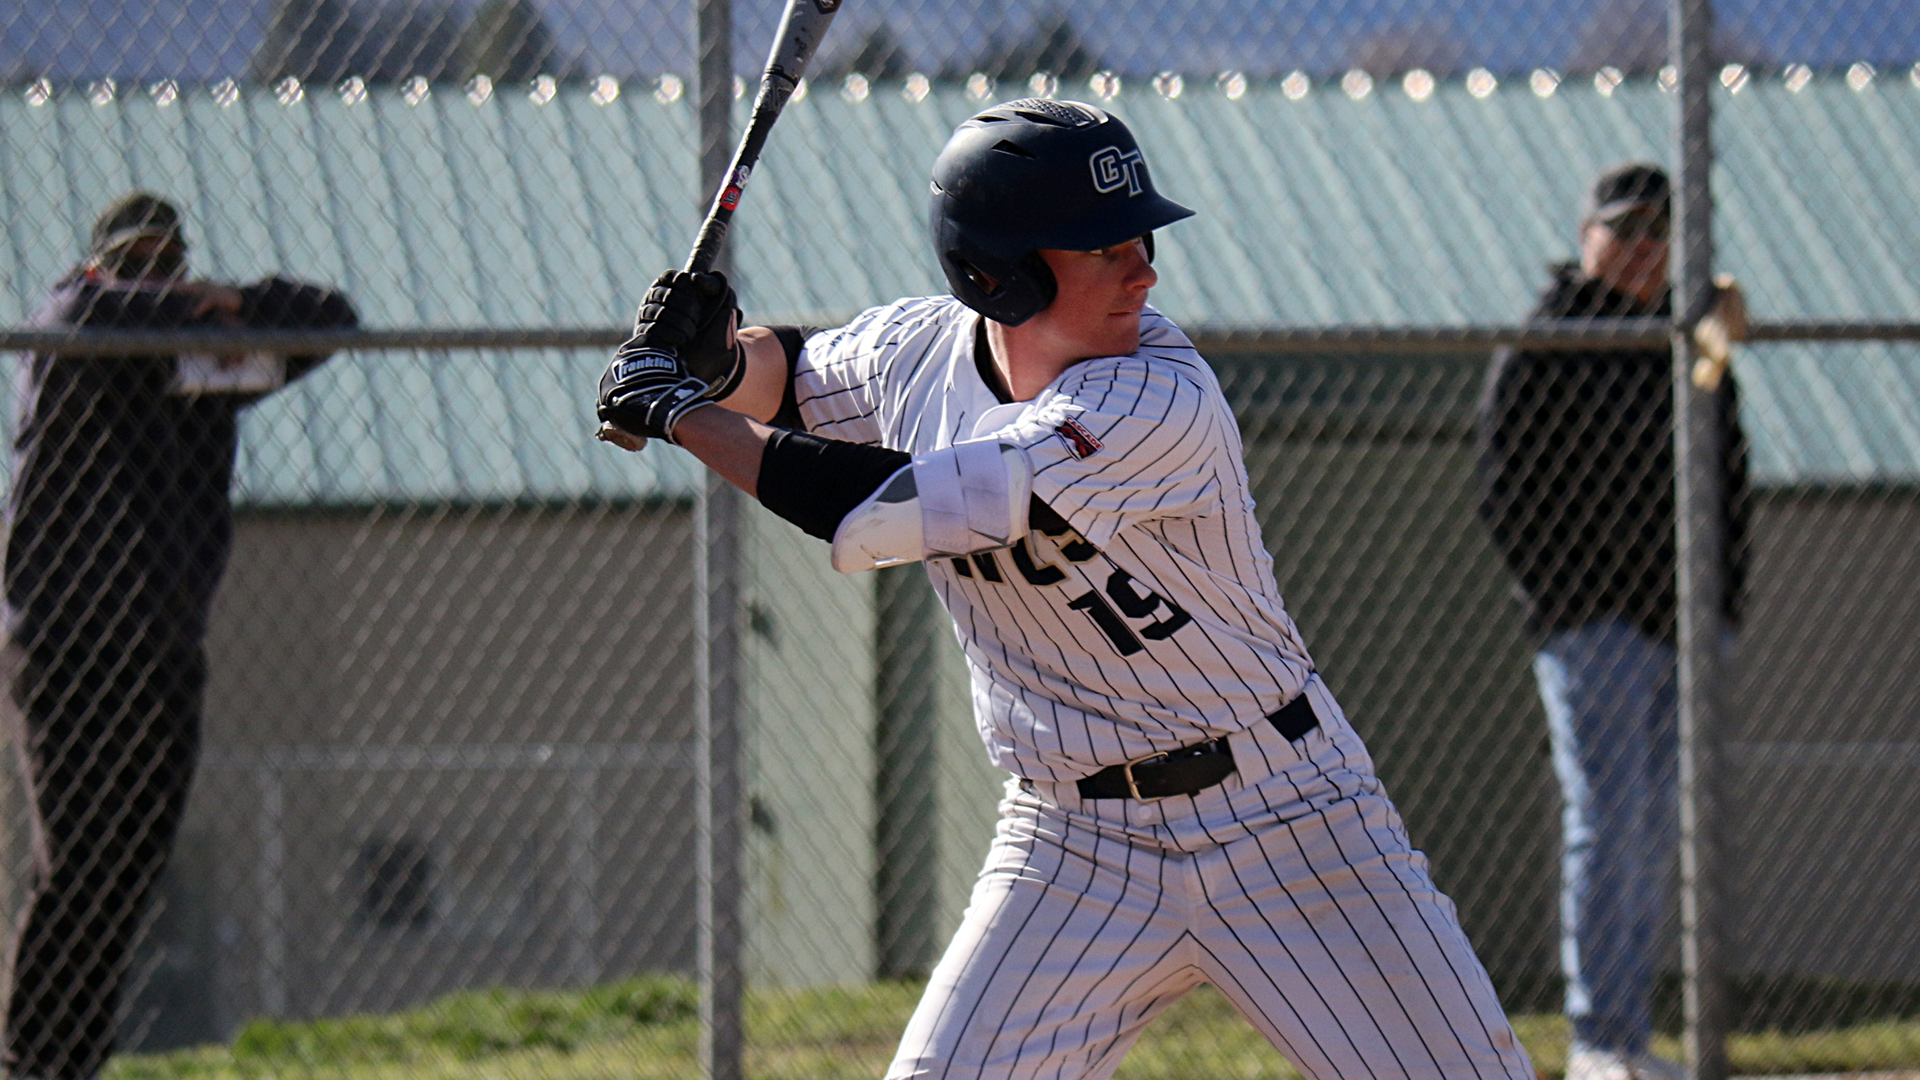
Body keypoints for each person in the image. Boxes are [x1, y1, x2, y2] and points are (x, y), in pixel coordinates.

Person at [598, 100, 1534, 1080]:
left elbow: (896, 508)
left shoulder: (1156, 395)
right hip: (1074, 841)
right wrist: (720, 361)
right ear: (997, 276)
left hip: (1284, 816)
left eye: (1137, 239)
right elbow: (790, 376)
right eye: (1102, 248)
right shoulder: (917, 351)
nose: (1145, 270)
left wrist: (679, 411)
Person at [2, 192, 356, 1080]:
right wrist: (179, 308)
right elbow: (71, 313)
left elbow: (330, 320)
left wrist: (234, 300)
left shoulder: (201, 363)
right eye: (135, 265)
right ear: (99, 267)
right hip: (63, 638)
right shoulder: (73, 341)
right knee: (77, 852)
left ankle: (71, 1057)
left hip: (161, 645)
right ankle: (24, 1059)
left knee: (132, 858)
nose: (156, 280)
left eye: (170, 265)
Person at [1476, 163, 1748, 1080]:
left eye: (1657, 235)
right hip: (1595, 627)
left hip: (1682, 623)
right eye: (1625, 231)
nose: (1641, 251)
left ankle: (1630, 1035)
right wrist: (1570, 596)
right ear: (1589, 234)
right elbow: (1504, 488)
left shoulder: (1688, 338)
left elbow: (1730, 470)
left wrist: (1724, 600)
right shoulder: (1550, 338)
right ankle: (1598, 1039)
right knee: (1605, 820)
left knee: (1653, 828)